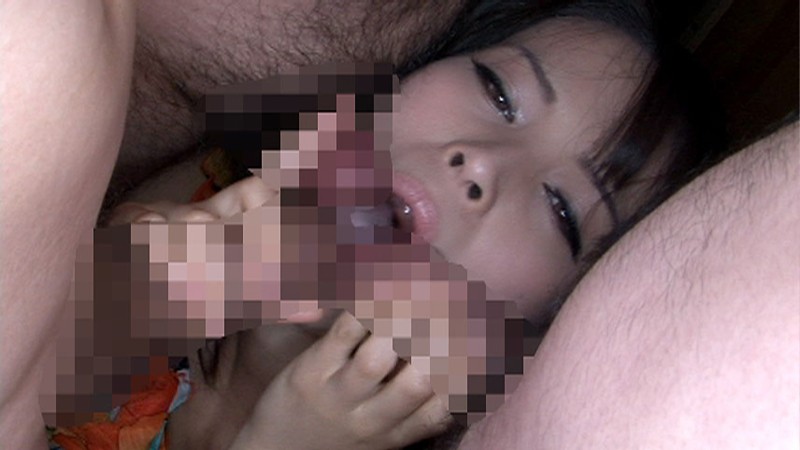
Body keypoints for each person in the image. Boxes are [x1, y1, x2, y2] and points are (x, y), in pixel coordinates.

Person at [3, 1, 796, 450]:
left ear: (538, 332)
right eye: (498, 92)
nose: (480, 164)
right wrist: (150, 290)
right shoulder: (222, 181)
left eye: (561, 210)